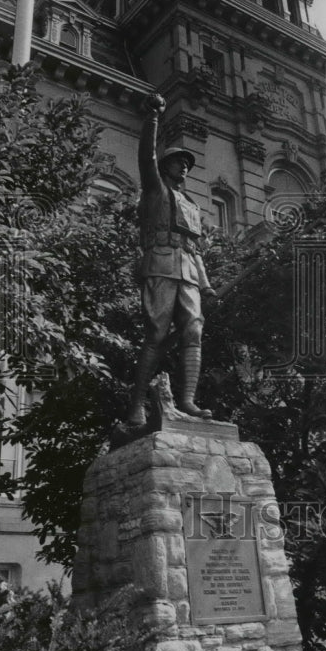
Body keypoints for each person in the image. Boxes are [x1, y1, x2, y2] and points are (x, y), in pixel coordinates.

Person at [126, 92, 217, 424]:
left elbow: (194, 248)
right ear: (167, 166)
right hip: (161, 265)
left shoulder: (191, 205)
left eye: (187, 164)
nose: (185, 167)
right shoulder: (155, 190)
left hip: (189, 273)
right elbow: (145, 158)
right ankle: (137, 405)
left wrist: (206, 286)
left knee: (193, 331)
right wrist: (153, 118)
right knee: (157, 334)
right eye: (180, 162)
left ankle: (188, 401)